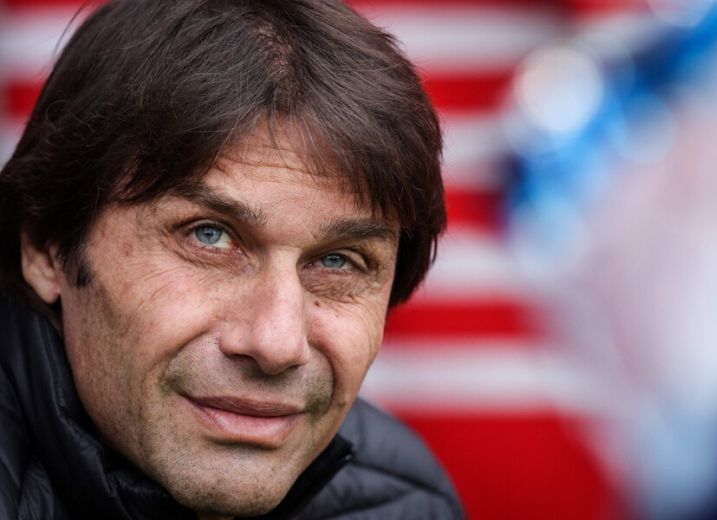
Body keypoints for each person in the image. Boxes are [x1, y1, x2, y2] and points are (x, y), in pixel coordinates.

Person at [0, 1, 462, 518]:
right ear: (47, 247)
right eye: (210, 236)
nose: (277, 344)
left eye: (337, 262)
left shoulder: (405, 502)